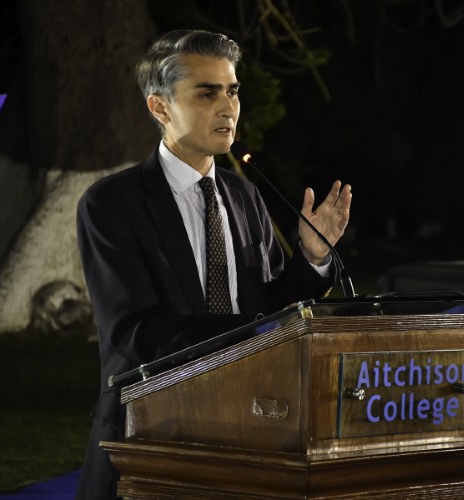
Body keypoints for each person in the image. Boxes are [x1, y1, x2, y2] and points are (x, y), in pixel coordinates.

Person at [75, 29, 352, 499]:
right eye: (207, 93)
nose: (228, 108)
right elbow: (135, 332)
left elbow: (272, 304)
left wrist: (313, 255)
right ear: (159, 107)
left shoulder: (244, 195)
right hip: (150, 435)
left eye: (233, 91)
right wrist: (252, 337)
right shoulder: (111, 204)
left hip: (246, 427)